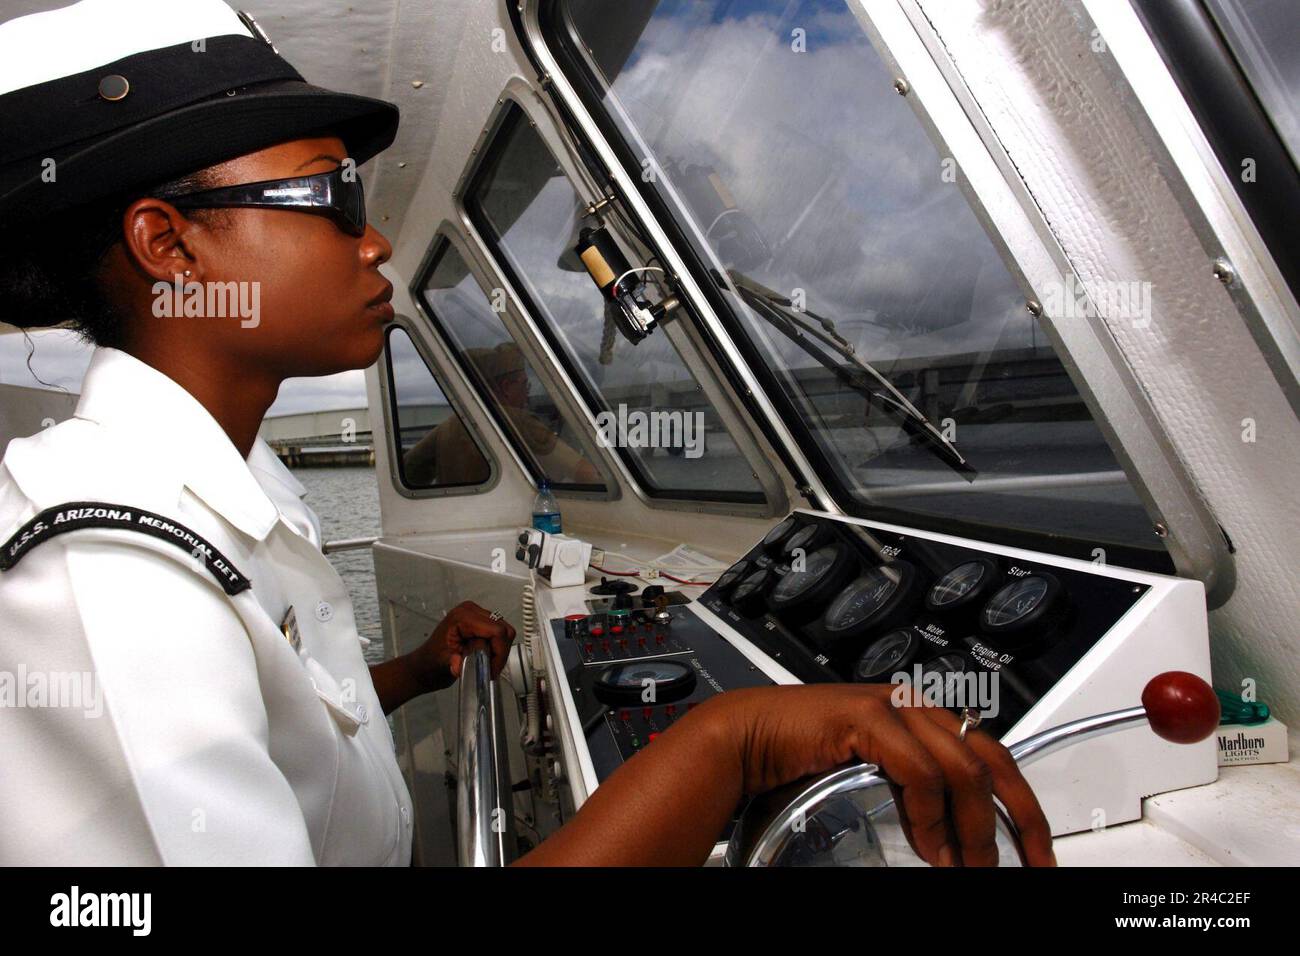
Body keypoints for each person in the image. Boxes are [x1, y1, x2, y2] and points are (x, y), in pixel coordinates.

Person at [0, 0, 1054, 867]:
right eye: (333, 195)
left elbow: (257, 728)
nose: (371, 242)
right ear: (167, 243)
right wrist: (729, 741)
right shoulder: (104, 565)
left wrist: (411, 671)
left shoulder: (231, 481)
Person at [403, 341, 601, 486]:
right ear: (506, 387)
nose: (527, 394)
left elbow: (410, 469)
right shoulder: (518, 421)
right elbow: (587, 475)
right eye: (525, 384)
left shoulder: (449, 426)